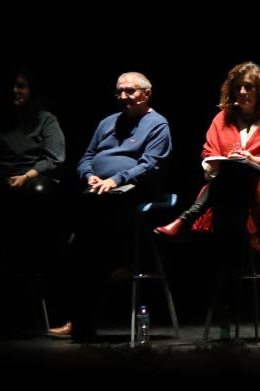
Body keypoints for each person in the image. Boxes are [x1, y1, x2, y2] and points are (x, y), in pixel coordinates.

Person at [48, 71, 172, 340]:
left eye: (130, 91)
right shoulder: (107, 123)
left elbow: (151, 164)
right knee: (85, 239)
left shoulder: (157, 124)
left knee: (88, 243)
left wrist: (115, 180)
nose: (123, 96)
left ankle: (81, 318)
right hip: (97, 191)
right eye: (119, 91)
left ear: (146, 94)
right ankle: (82, 311)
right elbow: (87, 157)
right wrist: (89, 175)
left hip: (133, 190)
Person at [153, 61, 260, 259]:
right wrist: (215, 163)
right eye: (238, 88)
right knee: (229, 177)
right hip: (226, 181)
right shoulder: (223, 118)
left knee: (241, 181)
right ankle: (217, 250)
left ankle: (185, 220)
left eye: (249, 86)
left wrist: (254, 159)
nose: (243, 92)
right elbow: (208, 150)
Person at [0, 67, 66, 337]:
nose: (16, 91)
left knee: (35, 198)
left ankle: (35, 276)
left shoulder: (44, 120)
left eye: (21, 86)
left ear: (30, 90)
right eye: (11, 86)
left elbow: (55, 158)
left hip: (35, 183)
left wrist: (26, 176)